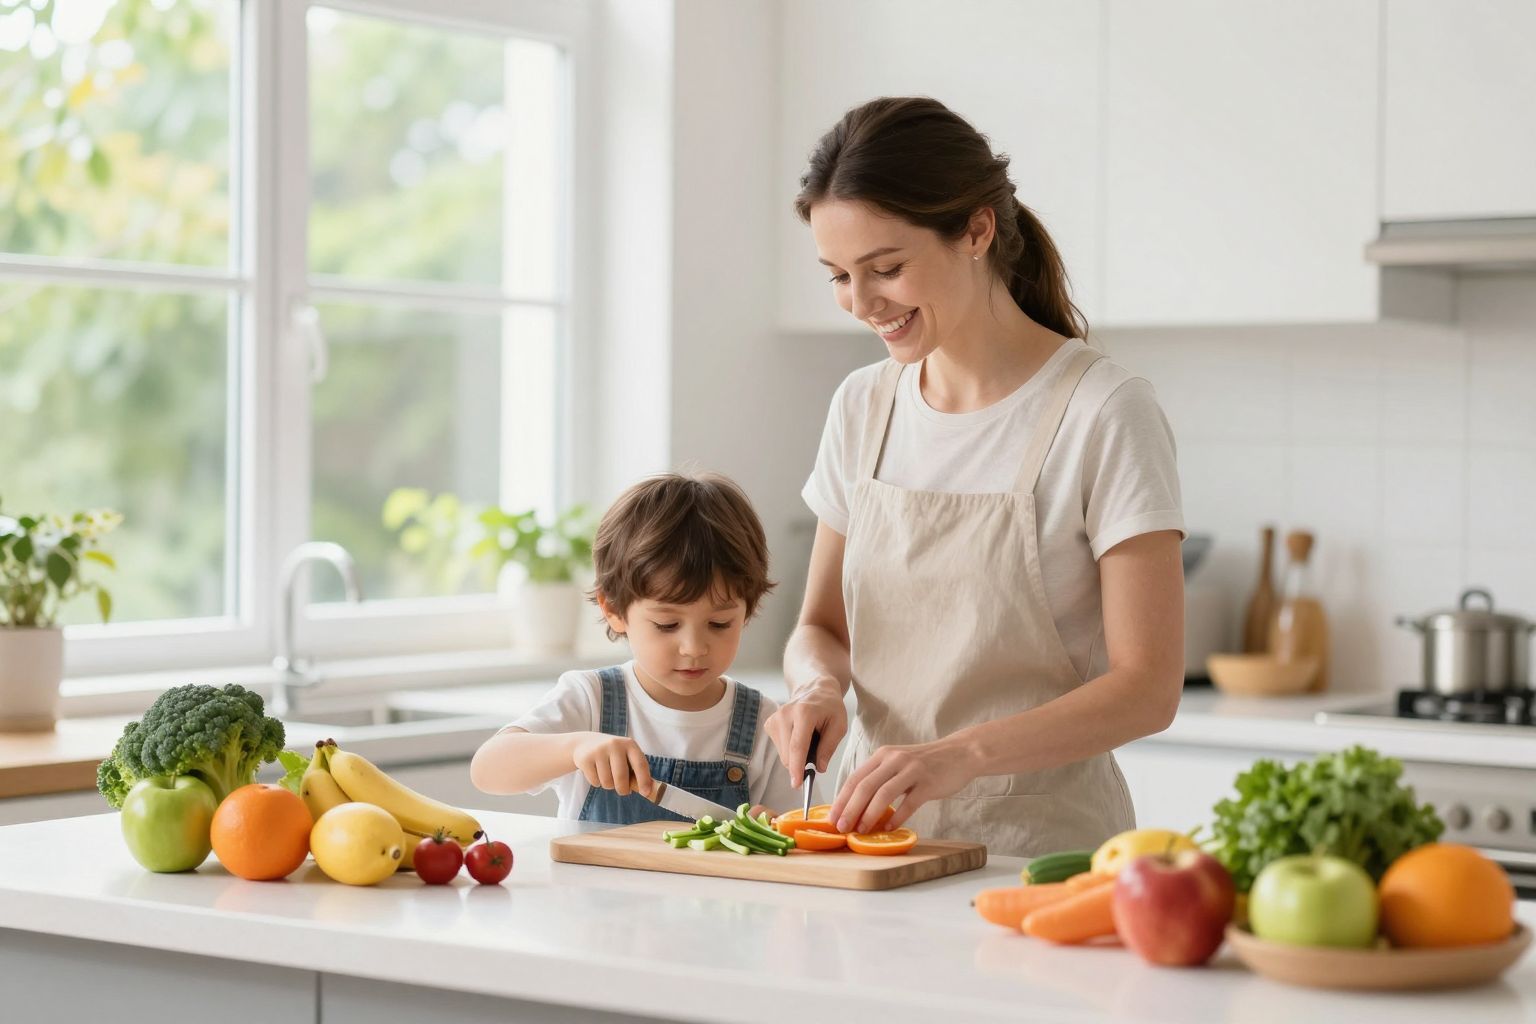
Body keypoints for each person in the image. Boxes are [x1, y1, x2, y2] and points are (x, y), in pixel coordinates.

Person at [763, 97, 1186, 857]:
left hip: (1039, 853)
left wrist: (958, 757)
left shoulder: (1103, 412)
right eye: (838, 276)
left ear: (977, 231)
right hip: (868, 844)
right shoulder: (864, 405)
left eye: (886, 269)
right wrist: (817, 689)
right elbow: (820, 630)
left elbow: (1148, 687)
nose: (862, 304)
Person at [471, 471, 802, 824]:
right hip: (592, 882)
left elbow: (800, 832)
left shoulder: (765, 723)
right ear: (612, 610)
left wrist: (777, 828)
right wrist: (575, 747)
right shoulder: (591, 699)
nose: (693, 647)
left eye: (720, 624)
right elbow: (487, 769)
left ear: (747, 610)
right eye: (667, 625)